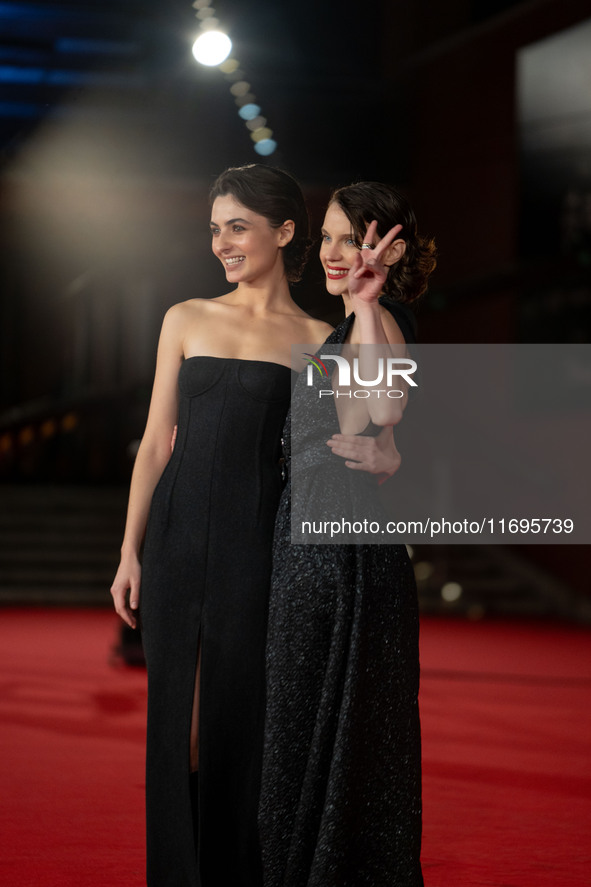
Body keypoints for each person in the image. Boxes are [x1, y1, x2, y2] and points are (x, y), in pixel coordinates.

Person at [109, 165, 393, 887]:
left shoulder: (318, 336)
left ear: (283, 231)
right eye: (214, 228)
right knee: (178, 725)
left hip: (256, 547)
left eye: (236, 226)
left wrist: (364, 308)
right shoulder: (185, 316)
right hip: (173, 544)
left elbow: (371, 417)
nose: (221, 243)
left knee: (236, 723)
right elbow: (154, 442)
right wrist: (128, 551)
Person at [259, 182, 437, 887]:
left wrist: (365, 299)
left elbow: (384, 402)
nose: (336, 253)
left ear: (386, 249)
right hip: (306, 539)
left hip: (338, 552)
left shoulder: (383, 317)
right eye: (329, 238)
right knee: (303, 723)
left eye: (354, 239)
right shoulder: (334, 333)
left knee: (322, 722)